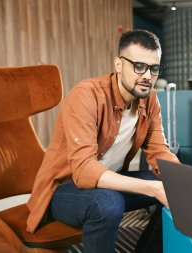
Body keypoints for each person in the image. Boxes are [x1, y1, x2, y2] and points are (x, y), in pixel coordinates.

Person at [26, 29, 179, 253]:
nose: (147, 75)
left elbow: (159, 152)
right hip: (65, 189)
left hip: (110, 183)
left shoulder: (150, 99)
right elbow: (85, 171)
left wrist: (184, 184)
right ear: (118, 64)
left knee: (173, 189)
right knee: (107, 204)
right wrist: (152, 188)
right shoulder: (86, 95)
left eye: (153, 68)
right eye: (139, 66)